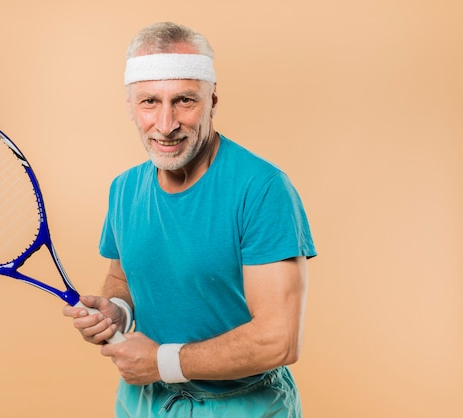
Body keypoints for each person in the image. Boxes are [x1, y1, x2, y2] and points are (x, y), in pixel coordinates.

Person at [62, 21, 316, 417]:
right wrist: (118, 310)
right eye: (149, 102)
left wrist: (162, 362)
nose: (165, 125)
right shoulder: (124, 189)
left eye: (184, 101)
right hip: (144, 404)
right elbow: (122, 277)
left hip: (240, 406)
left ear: (212, 99)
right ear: (129, 104)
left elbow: (278, 339)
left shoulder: (262, 189)